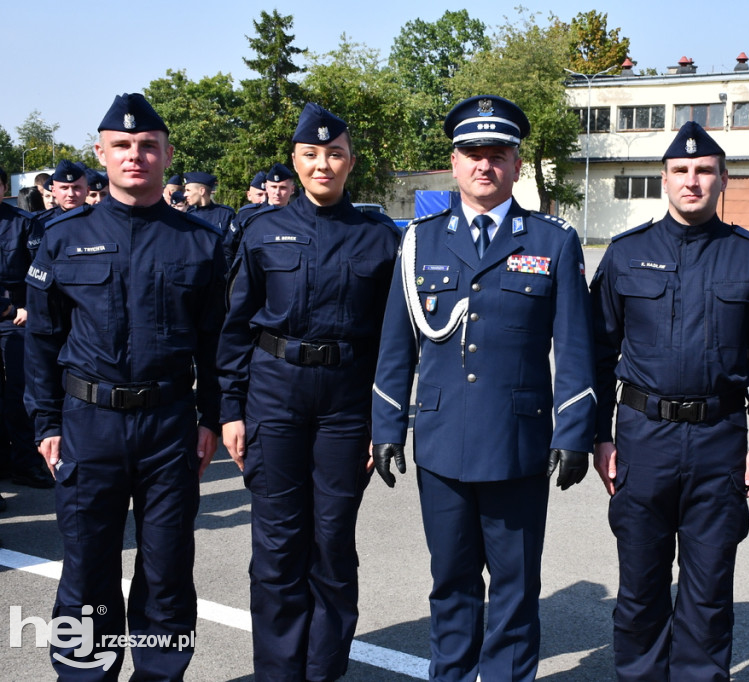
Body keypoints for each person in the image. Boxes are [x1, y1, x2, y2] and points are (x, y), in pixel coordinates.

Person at [371, 95, 597, 681]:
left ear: (517, 165)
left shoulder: (553, 242)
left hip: (517, 445)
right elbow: (397, 346)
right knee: (450, 582)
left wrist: (575, 429)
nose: (484, 165)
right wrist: (386, 426)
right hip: (442, 442)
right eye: (473, 153)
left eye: (497, 154)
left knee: (516, 590)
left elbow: (573, 347)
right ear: (454, 162)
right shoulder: (419, 241)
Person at [24, 93, 225, 679]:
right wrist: (46, 423)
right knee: (87, 568)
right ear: (100, 154)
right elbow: (40, 341)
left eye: (147, 147)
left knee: (166, 570)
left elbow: (216, 345)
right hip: (88, 426)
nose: (134, 156)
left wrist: (210, 418)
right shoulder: (62, 237)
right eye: (122, 146)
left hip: (168, 426)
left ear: (166, 155)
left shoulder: (201, 241)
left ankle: (160, 675)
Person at [218, 102, 399, 681]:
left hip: (346, 404)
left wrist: (383, 423)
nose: (324, 165)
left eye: (335, 154)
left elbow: (393, 343)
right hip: (275, 395)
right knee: (276, 546)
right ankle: (278, 672)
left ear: (351, 162)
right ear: (295, 163)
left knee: (332, 544)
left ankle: (324, 671)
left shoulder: (380, 237)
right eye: (312, 155)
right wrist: (230, 408)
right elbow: (236, 325)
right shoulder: (261, 231)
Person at [591, 122, 749, 681]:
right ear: (664, 179)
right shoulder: (626, 255)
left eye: (703, 171)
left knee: (709, 588)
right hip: (643, 439)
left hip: (720, 440)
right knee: (641, 588)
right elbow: (596, 354)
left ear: (722, 180)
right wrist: (600, 435)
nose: (691, 181)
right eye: (680, 171)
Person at [0, 167, 51, 489]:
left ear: (4, 186)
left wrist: (30, 308)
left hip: (14, 318)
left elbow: (41, 273)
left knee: (20, 393)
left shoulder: (22, 223)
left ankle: (24, 461)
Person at [36, 160, 87, 225]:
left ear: (87, 190)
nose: (71, 194)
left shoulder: (99, 217)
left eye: (76, 187)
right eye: (64, 188)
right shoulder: (42, 222)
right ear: (54, 191)